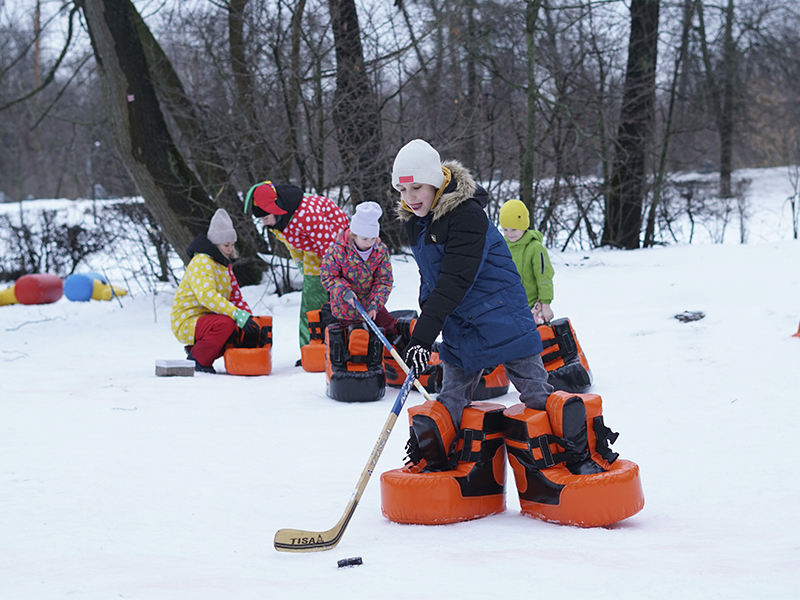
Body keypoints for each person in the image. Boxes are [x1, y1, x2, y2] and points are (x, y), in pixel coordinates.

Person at [392, 139, 554, 470]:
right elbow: (431, 279)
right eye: (402, 189)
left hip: (501, 317)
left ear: (436, 182)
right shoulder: (415, 220)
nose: (409, 197)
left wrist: (423, 334)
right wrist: (427, 321)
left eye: (417, 187)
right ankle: (436, 457)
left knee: (537, 396)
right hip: (461, 325)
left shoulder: (467, 215)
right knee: (450, 398)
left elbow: (455, 280)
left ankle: (566, 452)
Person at [245, 181, 349, 354]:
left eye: (264, 218)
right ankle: (310, 350)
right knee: (311, 304)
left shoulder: (306, 214)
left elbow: (329, 244)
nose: (264, 223)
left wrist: (334, 274)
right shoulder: (277, 221)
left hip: (339, 251)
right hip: (314, 254)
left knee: (334, 302)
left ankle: (341, 346)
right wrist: (300, 263)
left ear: (274, 208)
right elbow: (293, 244)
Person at [170, 209, 259, 373]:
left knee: (235, 330)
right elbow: (207, 296)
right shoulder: (202, 262)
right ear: (215, 244)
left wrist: (248, 318)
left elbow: (235, 296)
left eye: (232, 245)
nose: (229, 249)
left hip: (207, 319)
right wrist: (235, 314)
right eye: (226, 245)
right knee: (226, 324)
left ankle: (198, 351)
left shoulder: (224, 266)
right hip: (188, 319)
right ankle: (198, 359)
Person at [319, 201, 396, 335]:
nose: (369, 243)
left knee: (388, 326)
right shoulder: (338, 251)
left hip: (369, 303)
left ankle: (390, 353)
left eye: (373, 238)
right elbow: (329, 277)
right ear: (354, 235)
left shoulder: (380, 251)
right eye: (365, 239)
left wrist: (375, 303)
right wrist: (344, 291)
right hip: (345, 306)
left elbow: (384, 280)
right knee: (356, 336)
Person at [499, 199, 555, 324]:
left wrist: (545, 304)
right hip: (509, 307)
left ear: (524, 225)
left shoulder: (535, 248)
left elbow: (544, 277)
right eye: (505, 229)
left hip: (532, 308)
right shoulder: (501, 247)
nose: (509, 234)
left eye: (513, 229)